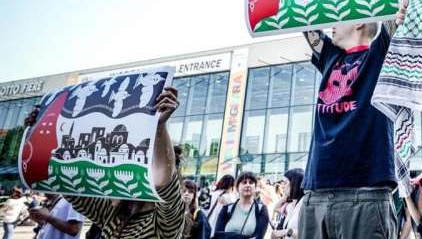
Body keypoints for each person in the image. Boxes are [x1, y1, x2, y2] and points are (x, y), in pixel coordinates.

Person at [268, 0, 408, 239]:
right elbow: (297, 11)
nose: (331, 21)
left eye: (342, 16)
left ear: (362, 23)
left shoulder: (379, 56)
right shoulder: (330, 57)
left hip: (364, 195)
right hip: (317, 194)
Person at [25, 87, 185, 239]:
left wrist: (158, 127)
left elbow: (165, 181)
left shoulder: (167, 221)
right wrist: (37, 131)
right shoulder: (114, 212)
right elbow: (69, 185)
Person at [214, 172, 270, 239]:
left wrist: (228, 236)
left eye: (251, 182)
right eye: (244, 182)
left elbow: (258, 236)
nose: (247, 185)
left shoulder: (261, 209)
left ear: (255, 187)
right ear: (237, 187)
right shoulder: (227, 209)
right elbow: (218, 235)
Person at [271, 169, 304, 238]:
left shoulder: (304, 205)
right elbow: (276, 208)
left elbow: (308, 234)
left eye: (285, 183)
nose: (282, 186)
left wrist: (286, 232)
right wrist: (285, 196)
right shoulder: (292, 205)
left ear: (294, 183)